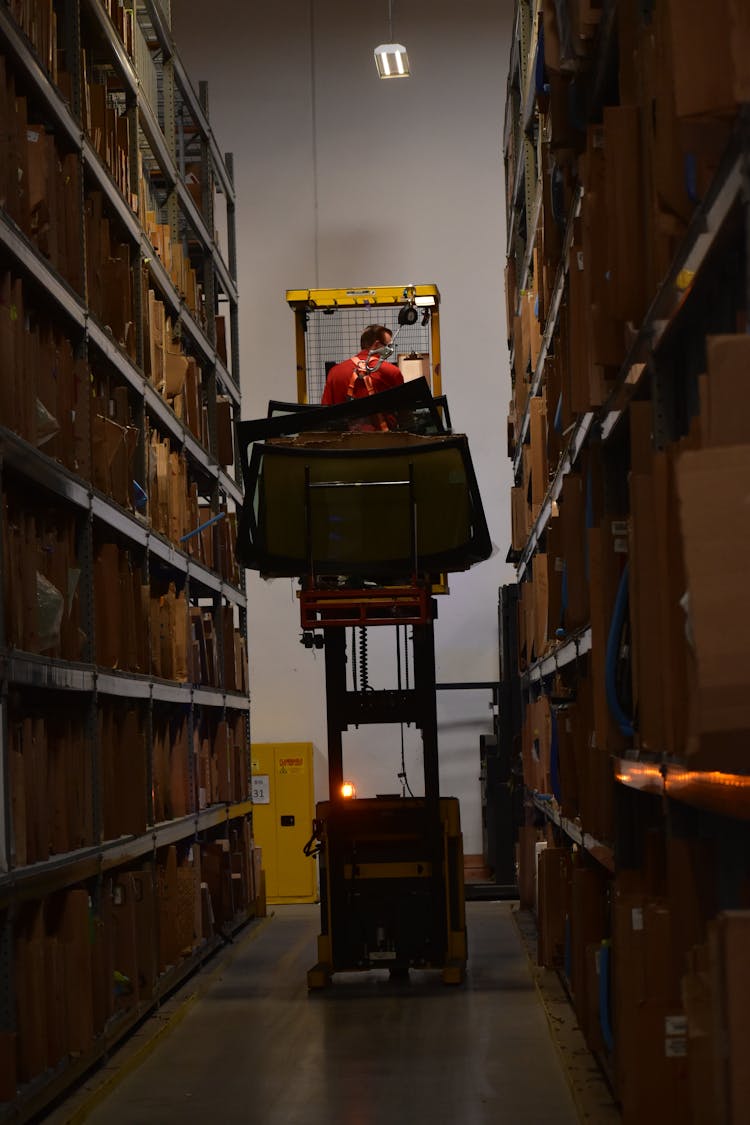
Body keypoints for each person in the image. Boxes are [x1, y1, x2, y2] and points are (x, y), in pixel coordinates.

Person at [321, 324, 404, 407]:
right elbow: (403, 410)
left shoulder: (334, 372)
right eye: (388, 346)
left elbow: (325, 408)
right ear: (377, 344)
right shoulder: (392, 371)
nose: (390, 350)